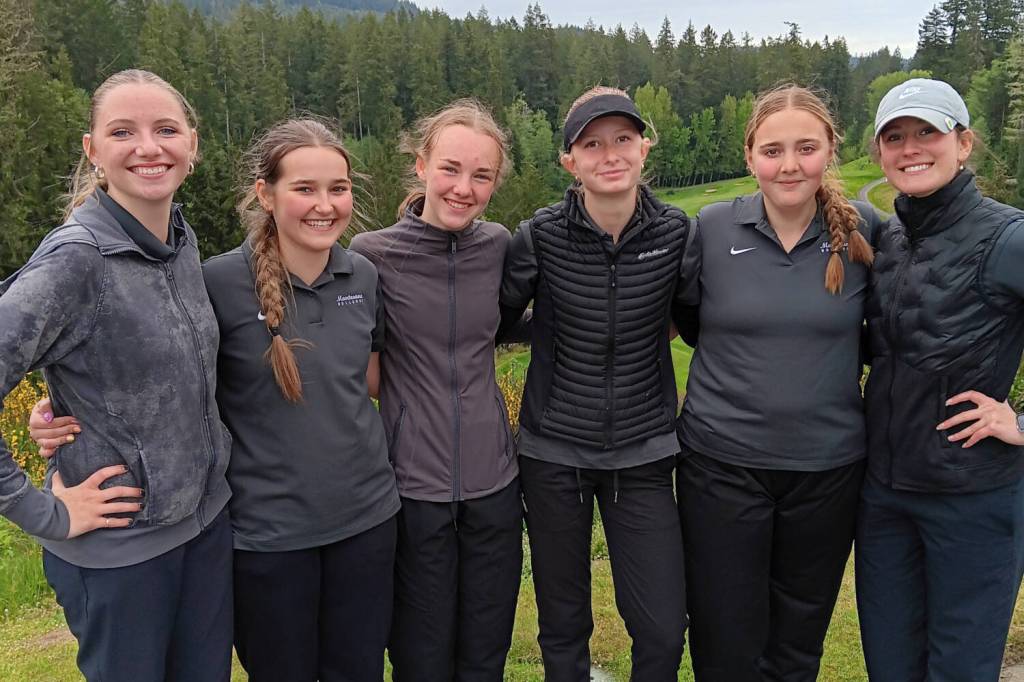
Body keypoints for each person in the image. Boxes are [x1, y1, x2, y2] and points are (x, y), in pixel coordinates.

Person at [32, 118, 401, 681]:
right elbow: (153, 371)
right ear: (265, 194)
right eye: (304, 188)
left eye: (338, 188)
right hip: (266, 539)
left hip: (369, 524)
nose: (324, 205)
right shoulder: (215, 283)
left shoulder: (364, 277)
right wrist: (63, 417)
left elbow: (368, 380)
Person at [0, 69, 233, 681]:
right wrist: (40, 511)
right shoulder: (76, 260)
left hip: (204, 530)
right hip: (120, 559)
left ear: (192, 143)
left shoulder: (179, 240)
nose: (148, 148)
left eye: (165, 130)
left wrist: (56, 401)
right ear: (93, 150)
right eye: (123, 132)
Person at [673, 84, 879, 682]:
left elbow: (891, 333)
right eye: (773, 150)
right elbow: (690, 323)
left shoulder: (867, 231)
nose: (789, 165)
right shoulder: (710, 227)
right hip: (721, 466)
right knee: (723, 634)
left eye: (806, 148)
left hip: (828, 470)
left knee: (798, 638)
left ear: (830, 151)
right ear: (749, 156)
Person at [500, 85, 696, 681]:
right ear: (570, 161)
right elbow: (503, 320)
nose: (609, 154)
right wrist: (555, 334)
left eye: (623, 140)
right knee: (563, 624)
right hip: (554, 452)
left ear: (644, 149)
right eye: (592, 144)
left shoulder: (674, 232)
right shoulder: (539, 235)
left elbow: (692, 323)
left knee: (663, 628)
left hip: (643, 453)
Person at [349, 99, 523, 681]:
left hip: (494, 485)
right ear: (421, 165)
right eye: (450, 168)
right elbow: (362, 369)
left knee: (485, 651)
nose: (463, 188)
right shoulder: (372, 257)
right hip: (411, 491)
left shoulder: (497, 246)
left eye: (482, 176)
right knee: (421, 654)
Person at [857, 78, 1024, 681]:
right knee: (891, 666)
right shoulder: (888, 239)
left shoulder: (1007, 237)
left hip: (972, 496)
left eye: (927, 132)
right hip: (886, 497)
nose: (910, 149)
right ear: (879, 153)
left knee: (959, 669)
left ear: (964, 142)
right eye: (895, 137)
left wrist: (1021, 422)